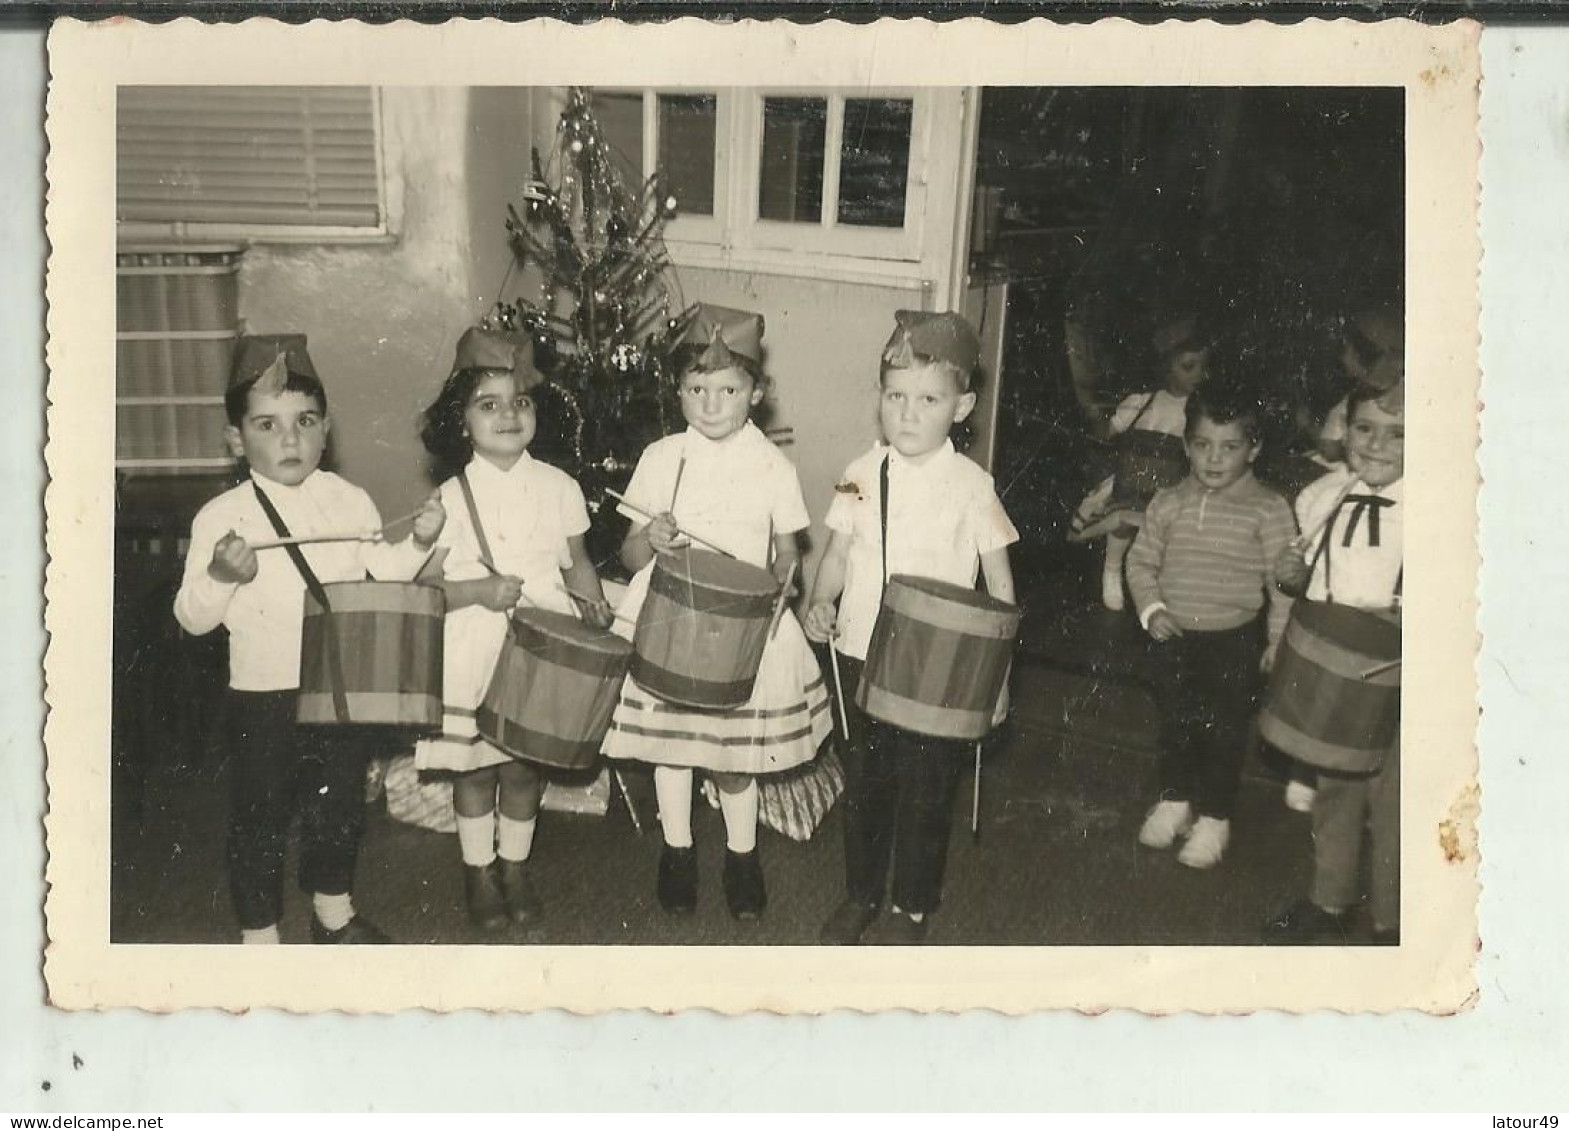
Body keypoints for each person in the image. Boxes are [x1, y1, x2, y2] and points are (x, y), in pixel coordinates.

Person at [173, 336, 445, 944]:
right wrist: (221, 577)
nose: (290, 439)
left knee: (339, 808)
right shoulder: (220, 519)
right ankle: (260, 937)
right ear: (238, 441)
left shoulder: (349, 502)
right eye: (268, 425)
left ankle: (332, 914)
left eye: (305, 422)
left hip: (337, 688)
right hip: (262, 694)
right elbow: (192, 618)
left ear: (326, 431)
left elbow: (385, 577)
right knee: (259, 818)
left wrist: (422, 542)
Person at [602, 304, 831, 921]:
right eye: (696, 388)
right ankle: (677, 850)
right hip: (670, 620)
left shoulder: (771, 467)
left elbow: (789, 557)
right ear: (677, 390)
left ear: (754, 394)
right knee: (672, 749)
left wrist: (783, 586)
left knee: (734, 757)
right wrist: (651, 538)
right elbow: (626, 557)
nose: (710, 404)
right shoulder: (660, 457)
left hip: (741, 628)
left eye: (727, 389)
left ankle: (741, 854)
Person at [805, 310, 1018, 945]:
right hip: (860, 651)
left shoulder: (974, 486)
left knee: (927, 794)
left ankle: (912, 905)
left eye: (928, 399)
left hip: (941, 668)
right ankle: (862, 894)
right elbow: (837, 552)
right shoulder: (859, 472)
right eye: (895, 396)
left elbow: (1001, 585)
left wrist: (997, 680)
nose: (908, 412)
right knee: (865, 786)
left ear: (962, 406)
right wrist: (820, 605)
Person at [414, 327, 613, 931]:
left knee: (524, 767)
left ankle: (515, 866)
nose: (508, 415)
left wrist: (594, 604)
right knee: (474, 768)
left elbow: (576, 562)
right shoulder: (449, 497)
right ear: (461, 420)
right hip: (474, 646)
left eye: (520, 401)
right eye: (488, 404)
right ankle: (477, 870)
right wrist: (479, 591)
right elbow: (424, 590)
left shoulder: (560, 487)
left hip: (542, 647)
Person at [1125, 383, 1296, 870]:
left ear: (1254, 448)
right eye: (1202, 445)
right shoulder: (1168, 500)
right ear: (1185, 445)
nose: (1214, 459)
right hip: (1173, 635)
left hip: (1233, 640)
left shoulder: (1268, 508)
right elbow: (1140, 562)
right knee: (1177, 722)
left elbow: (1281, 582)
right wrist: (1152, 609)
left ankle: (1216, 817)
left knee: (1223, 731)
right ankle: (1176, 800)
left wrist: (1277, 639)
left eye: (1230, 447)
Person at [1263, 383, 1405, 945]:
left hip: (1403, 672)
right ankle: (1330, 900)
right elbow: (1307, 581)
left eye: (1398, 434)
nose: (1376, 444)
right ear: (1343, 430)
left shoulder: (1440, 505)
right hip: (1337, 673)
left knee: (1395, 799)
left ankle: (1395, 921)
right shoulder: (1322, 497)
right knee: (1335, 789)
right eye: (1364, 428)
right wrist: (1291, 575)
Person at [1072, 317, 1211, 611]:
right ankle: (1111, 570)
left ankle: (1155, 590)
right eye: (1188, 366)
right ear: (1166, 367)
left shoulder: (1199, 410)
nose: (1197, 375)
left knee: (1165, 539)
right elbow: (1107, 432)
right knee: (1121, 521)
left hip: (1170, 487)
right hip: (1133, 481)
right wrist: (1096, 416)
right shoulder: (1142, 402)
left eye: (1202, 366)